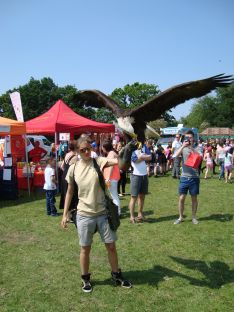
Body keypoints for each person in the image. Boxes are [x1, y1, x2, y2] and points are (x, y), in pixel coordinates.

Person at [61, 137, 132, 293]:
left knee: (111, 246)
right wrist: (64, 214)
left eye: (89, 148)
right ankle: (85, 279)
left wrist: (127, 151)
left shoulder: (98, 161)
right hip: (83, 214)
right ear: (77, 151)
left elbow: (120, 164)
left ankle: (116, 275)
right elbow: (70, 191)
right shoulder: (73, 168)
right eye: (83, 150)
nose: (87, 152)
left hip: (103, 213)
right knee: (85, 248)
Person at [174, 130, 201, 225]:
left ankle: (194, 217)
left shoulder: (198, 147)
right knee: (181, 198)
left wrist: (191, 148)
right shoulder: (183, 147)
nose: (188, 139)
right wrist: (183, 146)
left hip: (194, 177)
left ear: (193, 138)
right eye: (187, 137)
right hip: (184, 177)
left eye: (190, 137)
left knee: (194, 198)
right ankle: (180, 217)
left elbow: (200, 156)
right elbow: (175, 156)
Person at [128, 143, 151, 223]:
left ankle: (140, 214)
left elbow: (150, 157)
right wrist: (143, 157)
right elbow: (135, 160)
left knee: (142, 196)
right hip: (135, 175)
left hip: (144, 175)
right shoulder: (133, 146)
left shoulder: (144, 146)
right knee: (134, 197)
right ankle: (131, 216)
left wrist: (141, 157)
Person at [102, 139, 121, 215]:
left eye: (103, 147)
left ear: (105, 147)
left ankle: (117, 212)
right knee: (113, 195)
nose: (102, 149)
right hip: (113, 178)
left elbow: (111, 167)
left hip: (111, 178)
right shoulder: (112, 153)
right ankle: (116, 211)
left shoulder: (111, 154)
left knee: (114, 195)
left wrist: (108, 178)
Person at [59, 140, 78, 213]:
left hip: (64, 176)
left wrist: (66, 172)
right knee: (71, 193)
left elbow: (62, 166)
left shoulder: (67, 154)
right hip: (70, 177)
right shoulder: (75, 157)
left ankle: (66, 212)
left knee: (65, 193)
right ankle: (70, 213)